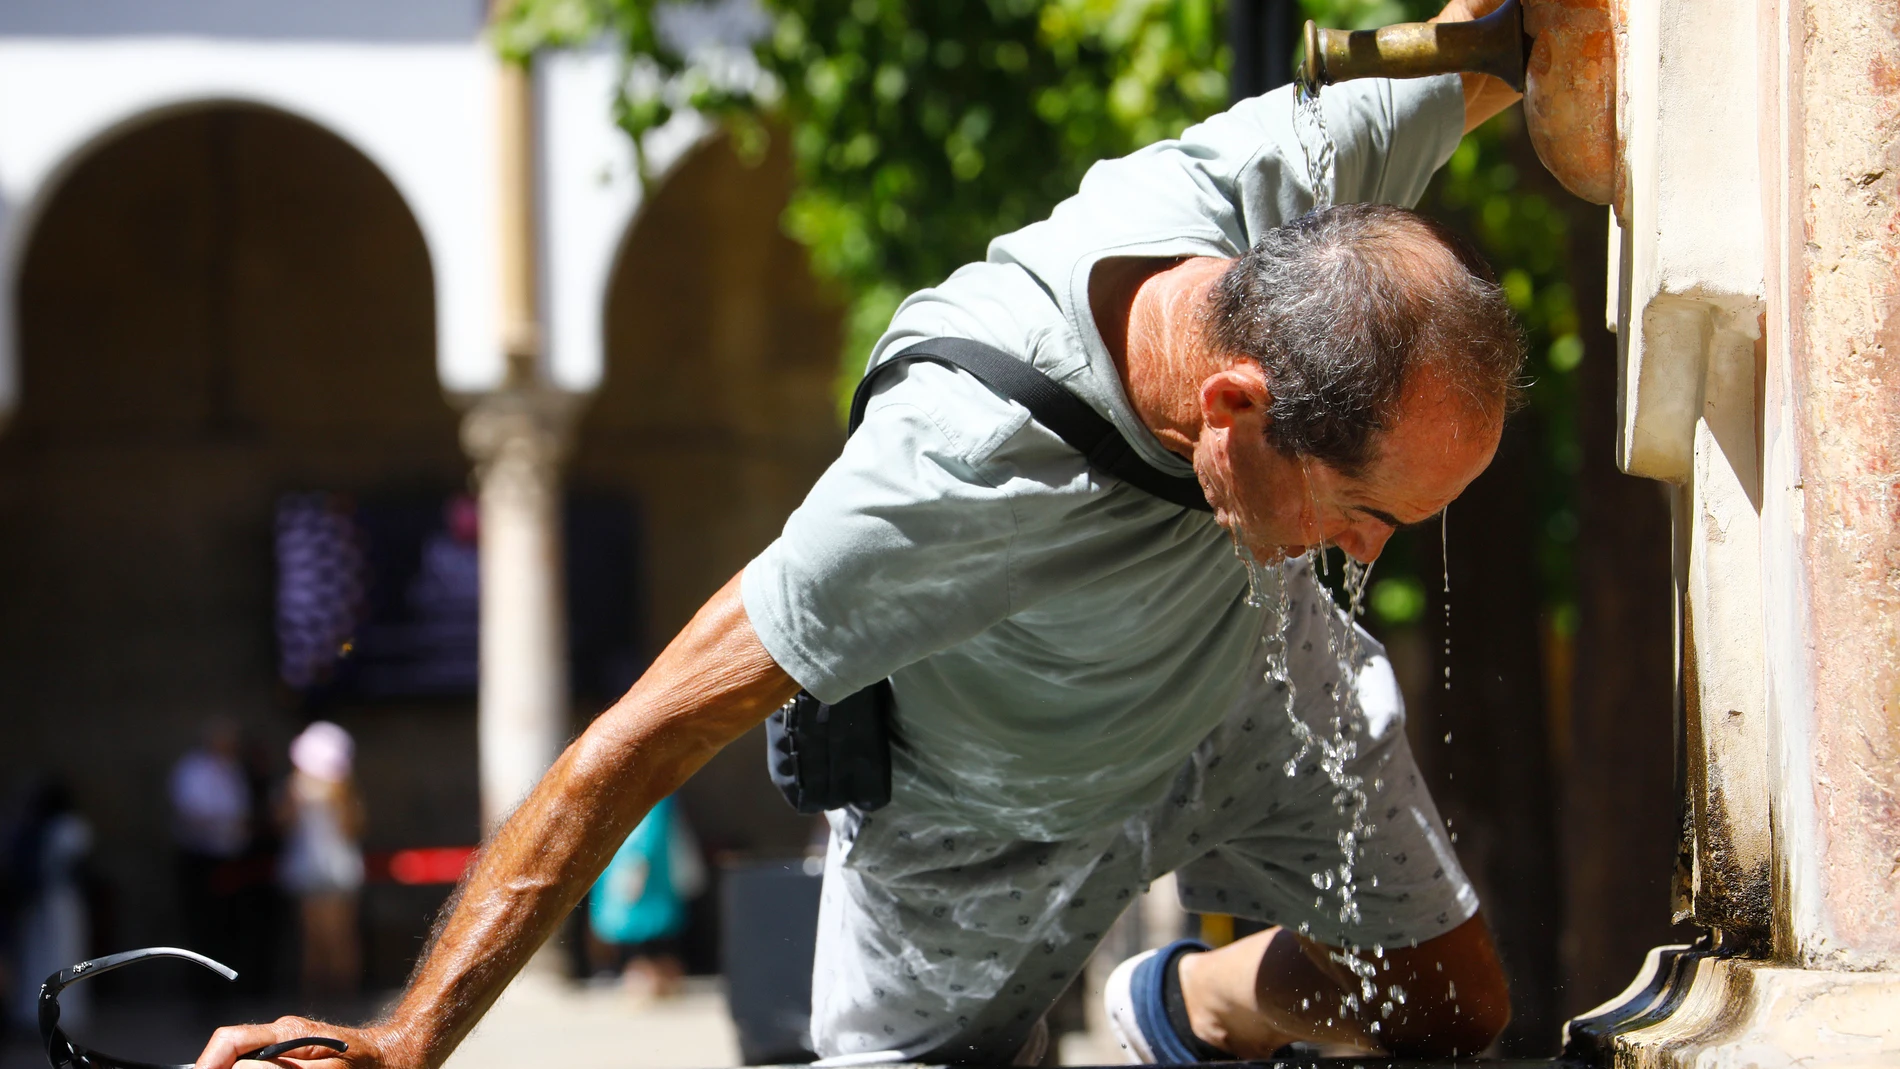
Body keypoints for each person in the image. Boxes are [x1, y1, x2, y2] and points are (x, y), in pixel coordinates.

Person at [198, 1, 1528, 1064]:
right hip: (985, 824)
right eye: (1362, 516)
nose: (1370, 556)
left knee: (1452, 1011)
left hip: (1248, 696)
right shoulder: (940, 477)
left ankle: (1188, 1006)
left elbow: (1494, 44)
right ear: (1233, 408)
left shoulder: (1297, 178)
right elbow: (634, 739)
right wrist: (405, 1038)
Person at [583, 795, 705, 1000]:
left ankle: (657, 978)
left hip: (642, 869)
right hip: (624, 867)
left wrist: (638, 861)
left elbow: (651, 828)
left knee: (650, 930)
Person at [278, 722, 366, 1000]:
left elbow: (353, 828)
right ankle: (317, 998)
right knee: (314, 938)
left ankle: (345, 995)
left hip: (338, 869)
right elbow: (282, 823)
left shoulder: (343, 792)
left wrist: (340, 797)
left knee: (340, 936)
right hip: (309, 869)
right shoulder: (295, 789)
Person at [169, 720, 253, 987]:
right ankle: (203, 987)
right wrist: (224, 823)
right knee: (202, 925)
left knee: (228, 924)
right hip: (200, 857)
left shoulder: (232, 769)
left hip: (229, 858)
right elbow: (191, 813)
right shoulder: (193, 770)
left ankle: (224, 987)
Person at [6, 780, 92, 1031]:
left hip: (59, 900)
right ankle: (40, 1013)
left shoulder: (67, 828)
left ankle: (62, 1014)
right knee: (42, 955)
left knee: (62, 956)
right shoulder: (57, 828)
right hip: (51, 900)